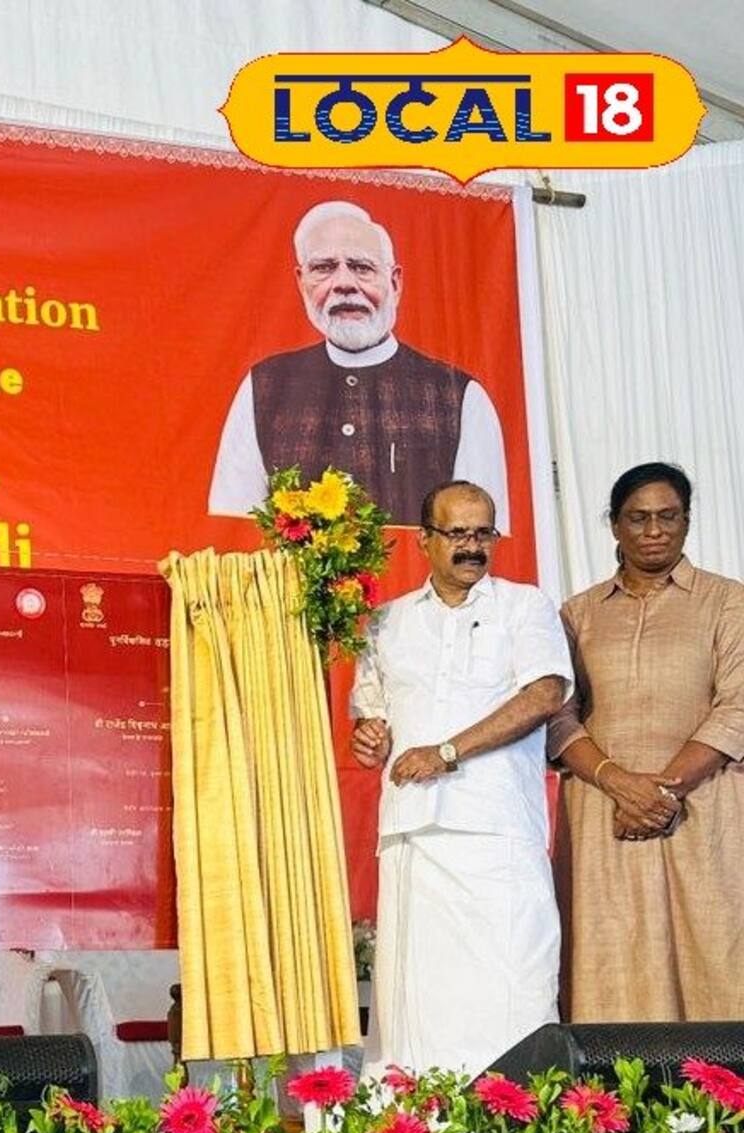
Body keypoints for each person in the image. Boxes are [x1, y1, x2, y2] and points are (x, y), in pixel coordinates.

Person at [348, 480, 570, 1077]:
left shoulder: (525, 606)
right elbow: (372, 723)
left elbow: (546, 692)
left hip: (498, 830)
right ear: (425, 541)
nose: (473, 546)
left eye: (484, 533)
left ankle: (516, 1119)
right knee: (416, 1000)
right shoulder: (385, 623)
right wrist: (369, 738)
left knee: (513, 984)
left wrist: (449, 751)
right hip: (413, 834)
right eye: (458, 533)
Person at [548, 463, 744, 1022]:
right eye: (638, 518)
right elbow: (559, 718)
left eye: (668, 517)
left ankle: (721, 1098)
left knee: (715, 952)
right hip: (603, 814)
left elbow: (738, 705)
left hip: (705, 807)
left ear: (687, 521)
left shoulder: (728, 602)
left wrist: (660, 794)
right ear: (613, 525)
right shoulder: (577, 614)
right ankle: (613, 1102)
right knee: (609, 953)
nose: (655, 530)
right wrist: (621, 784)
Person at [208, 200, 509, 529]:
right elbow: (234, 532)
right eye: (323, 267)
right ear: (301, 281)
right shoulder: (264, 387)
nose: (344, 283)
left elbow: (482, 541)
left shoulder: (458, 396)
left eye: (362, 267)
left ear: (394, 283)